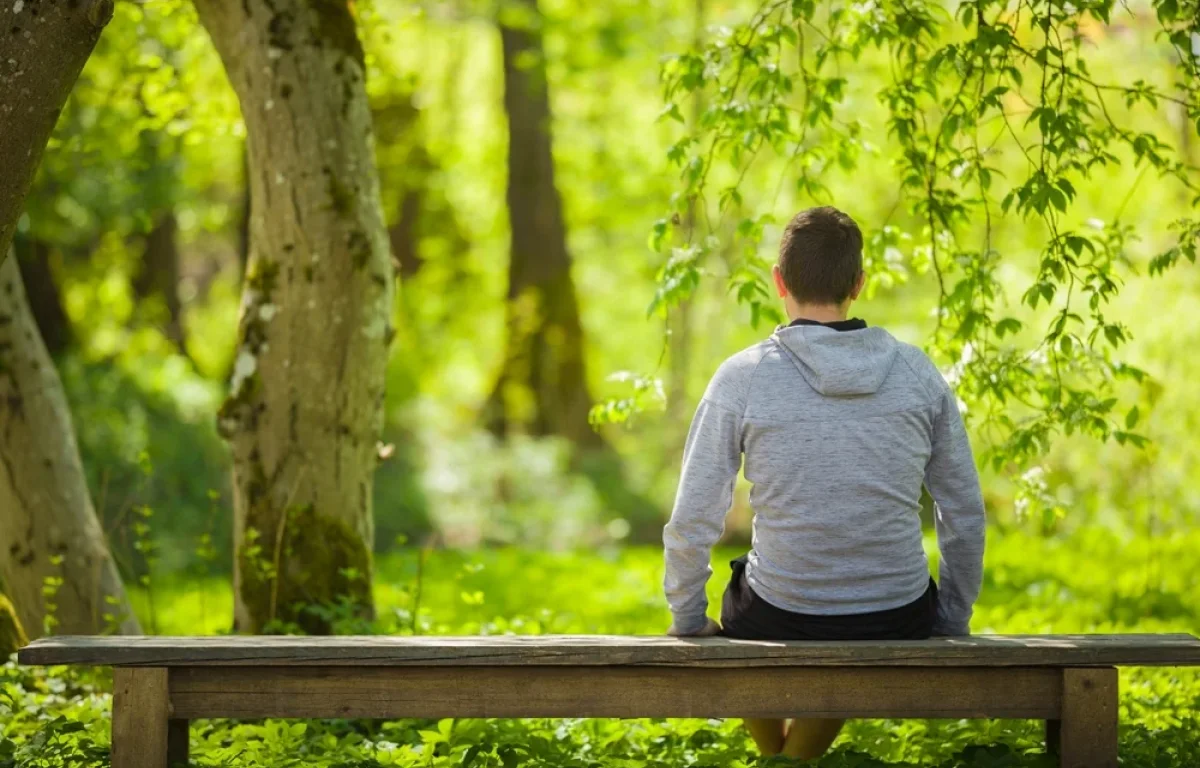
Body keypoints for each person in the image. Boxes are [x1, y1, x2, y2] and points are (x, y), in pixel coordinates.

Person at [662, 206, 986, 759]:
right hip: (898, 612)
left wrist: (688, 618)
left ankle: (779, 758)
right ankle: (790, 760)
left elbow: (696, 512)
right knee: (848, 625)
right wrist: (951, 618)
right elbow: (963, 510)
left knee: (743, 605)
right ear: (858, 284)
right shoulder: (917, 372)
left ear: (778, 281)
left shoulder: (743, 375)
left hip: (779, 607)